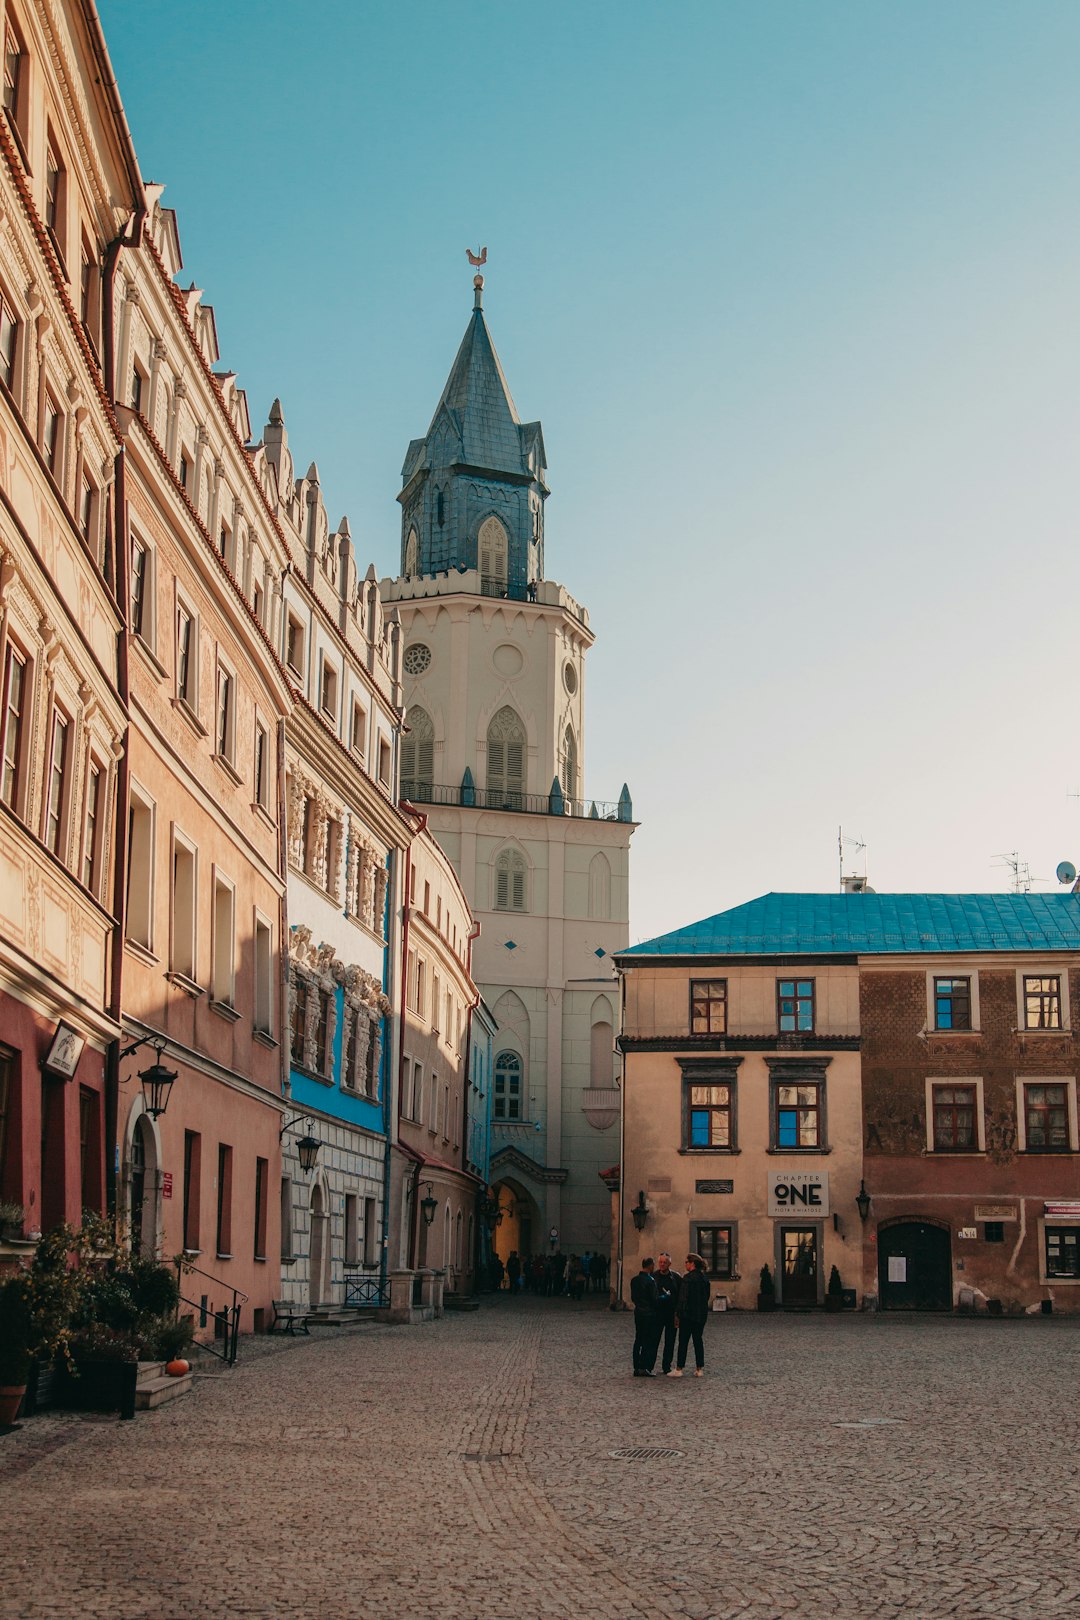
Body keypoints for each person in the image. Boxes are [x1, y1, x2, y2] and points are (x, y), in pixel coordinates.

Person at [668, 1252, 711, 1377]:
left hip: (687, 1314)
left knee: (683, 1341)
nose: (685, 1264)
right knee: (698, 1340)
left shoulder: (687, 1278)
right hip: (700, 1314)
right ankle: (699, 1368)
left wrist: (678, 1314)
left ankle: (679, 1368)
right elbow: (706, 1297)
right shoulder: (704, 1279)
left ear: (692, 1263)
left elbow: (683, 1298)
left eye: (686, 1262)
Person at [630, 1257, 660, 1377]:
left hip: (638, 1312)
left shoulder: (634, 1280)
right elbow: (655, 1299)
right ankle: (644, 1366)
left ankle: (636, 1367)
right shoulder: (650, 1280)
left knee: (638, 1340)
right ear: (650, 1266)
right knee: (647, 1341)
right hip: (649, 1314)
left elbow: (633, 1298)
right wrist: (665, 1296)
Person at [653, 1252, 682, 1375]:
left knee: (670, 1341)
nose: (662, 1264)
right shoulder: (653, 1276)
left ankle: (666, 1366)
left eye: (665, 1262)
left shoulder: (676, 1277)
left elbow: (680, 1296)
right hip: (657, 1314)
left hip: (671, 1314)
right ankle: (650, 1365)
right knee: (654, 1340)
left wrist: (678, 1313)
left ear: (669, 1263)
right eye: (660, 1262)